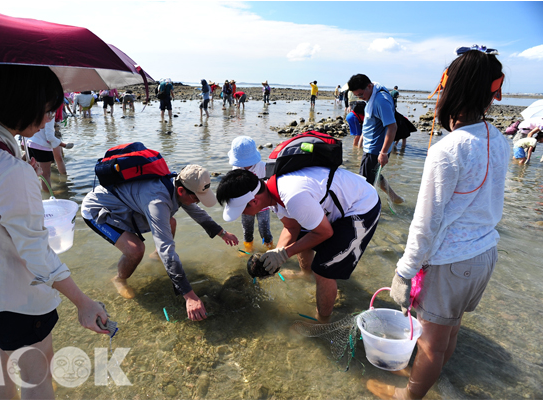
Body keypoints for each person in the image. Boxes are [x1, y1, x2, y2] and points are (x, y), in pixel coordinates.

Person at [0, 64, 108, 399]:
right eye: (47, 110)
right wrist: (83, 301)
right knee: (37, 373)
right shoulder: (6, 169)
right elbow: (34, 251)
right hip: (13, 294)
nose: (49, 119)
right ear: (22, 104)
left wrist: (18, 169)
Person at [367, 47, 510, 400]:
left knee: (430, 339)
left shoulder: (448, 150)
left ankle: (408, 396)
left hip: (451, 261)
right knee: (450, 328)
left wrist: (403, 272)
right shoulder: (500, 140)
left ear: (451, 91)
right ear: (490, 93)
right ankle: (434, 380)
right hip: (484, 254)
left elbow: (425, 224)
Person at [216, 166, 381, 323]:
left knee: (323, 270)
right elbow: (292, 226)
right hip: (335, 203)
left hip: (360, 206)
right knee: (303, 235)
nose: (242, 214)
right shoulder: (270, 190)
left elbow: (325, 233)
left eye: (241, 210)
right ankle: (305, 273)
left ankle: (322, 320)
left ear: (253, 202)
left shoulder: (293, 197)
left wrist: (284, 254)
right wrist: (276, 253)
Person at [81, 164, 239, 319]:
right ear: (181, 190)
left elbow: (197, 212)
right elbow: (167, 249)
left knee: (171, 223)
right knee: (136, 250)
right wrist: (189, 296)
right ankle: (119, 279)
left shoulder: (178, 183)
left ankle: (155, 256)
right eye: (196, 198)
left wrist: (222, 233)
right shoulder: (157, 202)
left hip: (127, 205)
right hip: (98, 210)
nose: (197, 202)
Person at [347, 73, 404, 204]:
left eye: (361, 94)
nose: (361, 98)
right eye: (357, 96)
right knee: (374, 174)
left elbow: (392, 127)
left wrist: (383, 152)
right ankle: (394, 197)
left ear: (369, 86)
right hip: (373, 147)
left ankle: (368, 208)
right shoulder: (375, 91)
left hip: (375, 149)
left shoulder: (380, 100)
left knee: (365, 182)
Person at [227, 136, 274, 253]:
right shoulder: (236, 169)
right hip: (245, 206)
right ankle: (248, 249)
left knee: (264, 230)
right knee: (247, 229)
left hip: (262, 205)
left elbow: (270, 187)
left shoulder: (263, 167)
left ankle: (269, 249)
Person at [25, 119, 74, 192]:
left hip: (30, 143)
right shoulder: (50, 113)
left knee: (35, 172)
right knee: (46, 175)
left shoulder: (35, 109)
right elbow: (50, 137)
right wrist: (64, 145)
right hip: (42, 146)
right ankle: (48, 196)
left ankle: (37, 193)